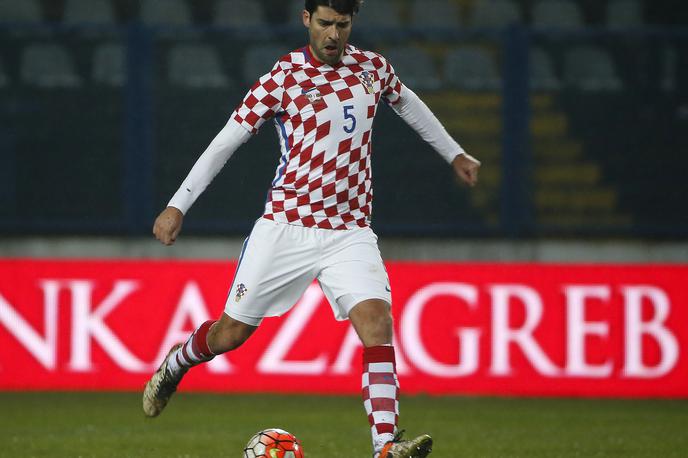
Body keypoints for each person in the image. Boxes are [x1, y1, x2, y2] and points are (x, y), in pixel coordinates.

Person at [142, 1, 481, 457]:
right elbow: (226, 141)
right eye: (324, 23)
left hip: (350, 231)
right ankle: (176, 364)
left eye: (342, 24)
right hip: (287, 227)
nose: (333, 34)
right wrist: (177, 205)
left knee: (377, 325)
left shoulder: (373, 68)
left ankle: (386, 446)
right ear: (306, 19)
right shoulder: (282, 78)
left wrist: (454, 153)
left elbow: (411, 106)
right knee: (230, 336)